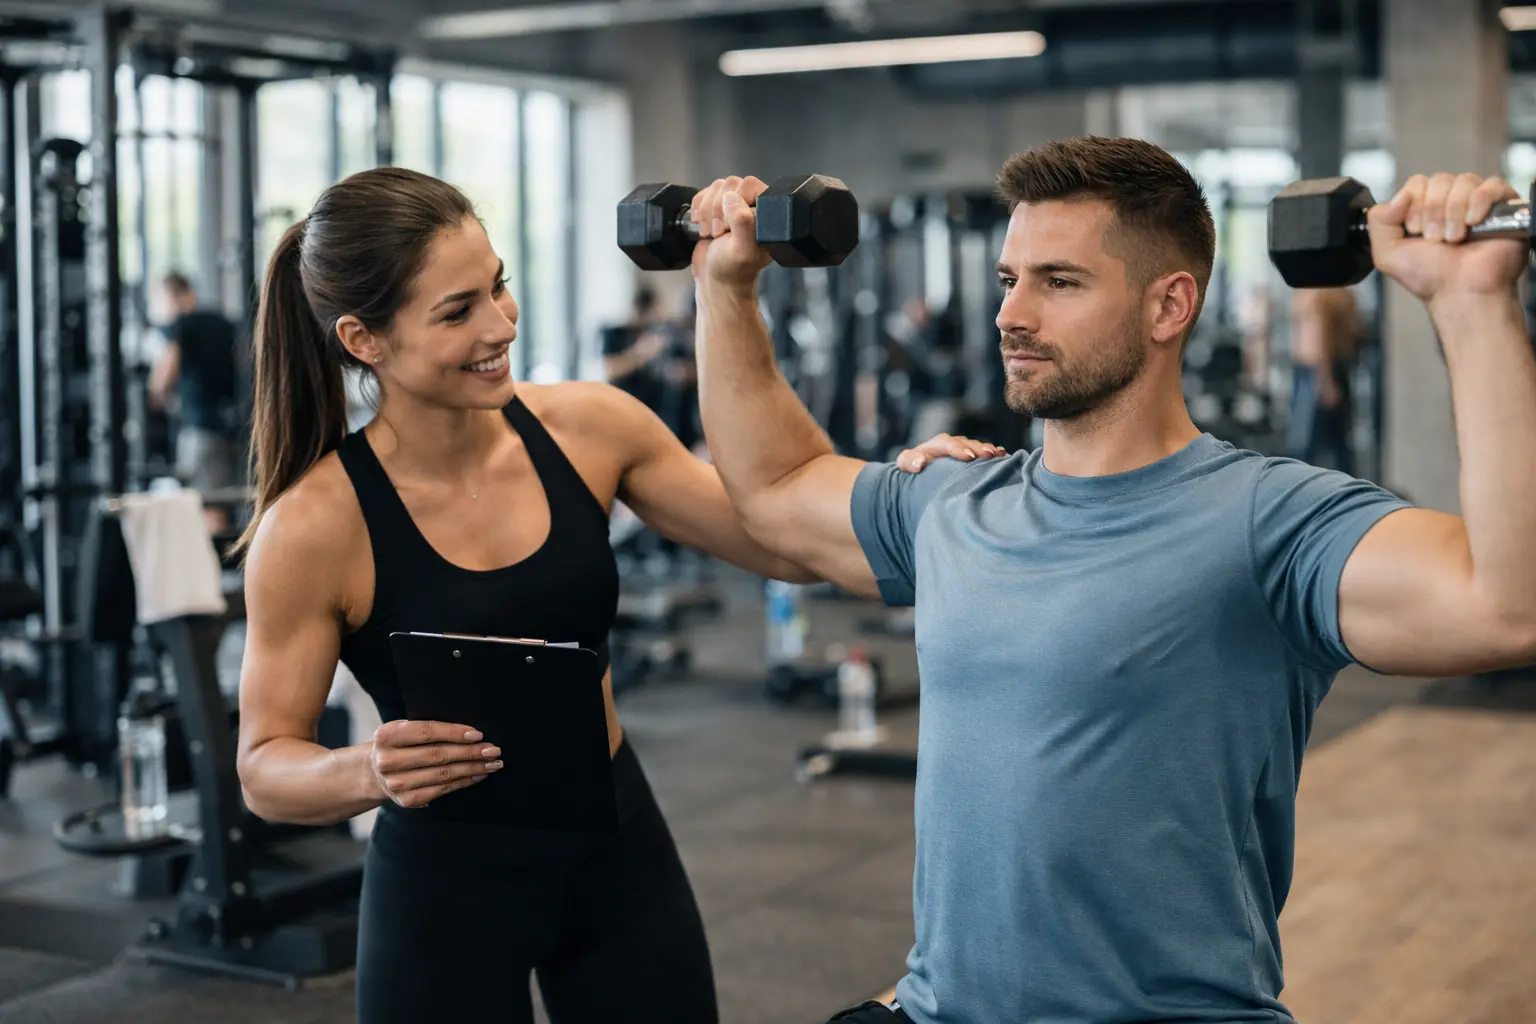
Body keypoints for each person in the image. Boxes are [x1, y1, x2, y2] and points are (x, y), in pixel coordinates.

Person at [684, 139, 1536, 1024]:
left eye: (1059, 281)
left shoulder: (1267, 520)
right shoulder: (953, 501)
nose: (1013, 313)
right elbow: (775, 487)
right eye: (1012, 279)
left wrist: (1473, 306)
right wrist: (724, 287)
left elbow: (1509, 608)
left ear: (1170, 305)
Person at [229, 166, 1001, 1024]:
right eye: (457, 312)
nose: (500, 326)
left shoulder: (590, 428)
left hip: (615, 846)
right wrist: (364, 768)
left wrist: (897, 489)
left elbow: (788, 540)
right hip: (447, 882)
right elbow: (265, 770)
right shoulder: (313, 527)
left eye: (499, 287)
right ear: (364, 339)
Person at [149, 271, 241, 532]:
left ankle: (214, 571)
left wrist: (155, 393)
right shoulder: (223, 323)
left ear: (176, 297)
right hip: (233, 428)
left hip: (201, 431)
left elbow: (164, 375)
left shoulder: (181, 326)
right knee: (230, 503)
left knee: (209, 508)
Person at [1288, 285, 1363, 474]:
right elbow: (1317, 341)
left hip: (1320, 369)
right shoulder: (1321, 294)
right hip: (1321, 370)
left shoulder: (1318, 293)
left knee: (1326, 441)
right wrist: (1326, 380)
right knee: (1315, 443)